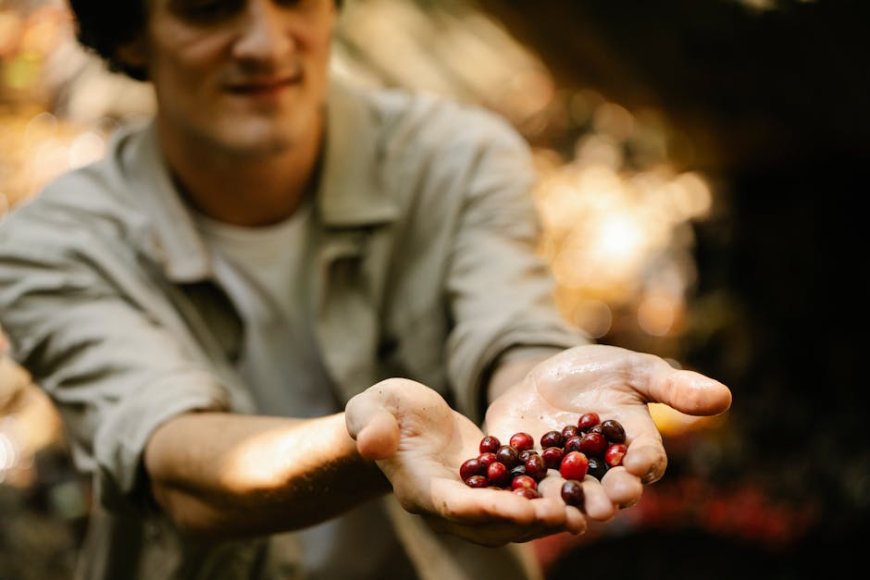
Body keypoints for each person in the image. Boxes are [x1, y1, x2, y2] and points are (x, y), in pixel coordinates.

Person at [0, 1, 733, 578]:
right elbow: (179, 465)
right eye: (207, 8)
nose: (265, 41)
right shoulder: (50, 247)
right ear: (131, 34)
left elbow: (509, 328)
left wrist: (547, 381)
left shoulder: (456, 159)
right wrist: (368, 443)